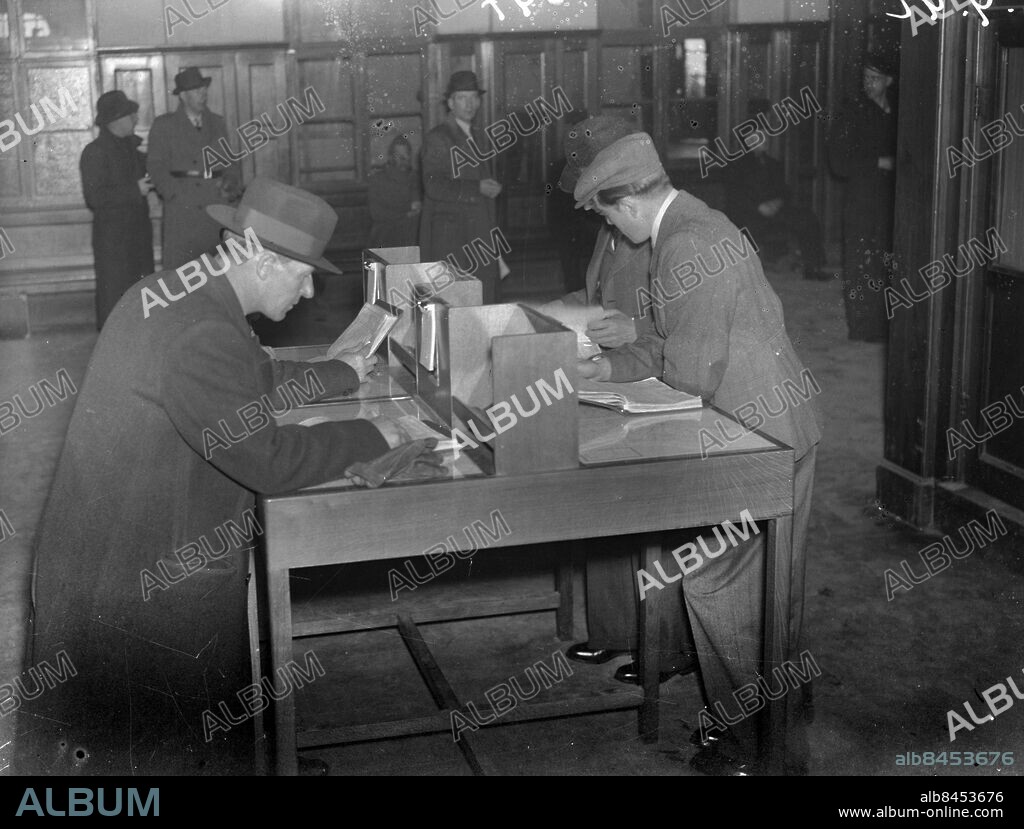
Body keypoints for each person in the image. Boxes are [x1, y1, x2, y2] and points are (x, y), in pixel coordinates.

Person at [14, 177, 418, 776]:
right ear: (256, 255)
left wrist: (340, 374)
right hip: (141, 592)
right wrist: (377, 434)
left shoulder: (183, 294)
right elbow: (269, 459)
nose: (309, 292)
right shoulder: (202, 330)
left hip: (117, 560)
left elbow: (244, 385)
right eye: (303, 272)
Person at [574, 133, 821, 775]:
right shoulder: (695, 223)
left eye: (605, 215)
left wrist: (630, 397)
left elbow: (689, 373)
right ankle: (781, 720)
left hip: (751, 437)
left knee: (719, 584)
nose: (610, 229)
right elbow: (671, 339)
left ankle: (747, 749)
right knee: (773, 587)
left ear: (625, 202)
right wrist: (610, 366)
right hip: (776, 422)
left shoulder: (685, 243)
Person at [544, 116, 698, 684]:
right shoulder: (613, 225)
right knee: (602, 505)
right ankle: (615, 632)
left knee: (651, 518)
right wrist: (550, 313)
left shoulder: (665, 233)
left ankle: (666, 647)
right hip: (611, 377)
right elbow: (594, 296)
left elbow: (672, 326)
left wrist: (621, 339)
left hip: (649, 380)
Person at [827, 54, 898, 342]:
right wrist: (878, 163)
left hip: (891, 200)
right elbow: (838, 162)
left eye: (875, 78)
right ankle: (862, 328)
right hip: (861, 201)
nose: (868, 84)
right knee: (859, 264)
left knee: (888, 263)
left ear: (889, 81)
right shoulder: (852, 112)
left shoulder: (899, 113)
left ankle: (886, 326)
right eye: (865, 77)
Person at [420, 71, 506, 303]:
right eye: (462, 98)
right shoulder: (439, 137)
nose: (470, 104)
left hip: (478, 234)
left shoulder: (475, 135)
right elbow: (433, 185)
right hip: (454, 240)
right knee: (459, 305)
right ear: (450, 103)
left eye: (474, 97)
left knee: (479, 302)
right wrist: (476, 188)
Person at [147, 66, 242, 271]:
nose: (203, 94)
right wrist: (174, 194)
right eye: (196, 90)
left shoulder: (217, 123)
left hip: (215, 208)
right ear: (182, 95)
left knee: (218, 274)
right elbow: (156, 166)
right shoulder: (164, 125)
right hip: (183, 212)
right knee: (183, 276)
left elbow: (230, 162)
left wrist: (231, 183)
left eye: (204, 89)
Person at [79, 90, 154, 329]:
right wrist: (134, 190)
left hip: (138, 237)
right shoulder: (94, 152)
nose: (135, 119)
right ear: (115, 120)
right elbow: (95, 197)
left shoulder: (132, 149)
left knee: (142, 296)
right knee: (113, 297)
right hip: (112, 241)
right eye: (130, 115)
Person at [726, 121, 826, 282]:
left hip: (776, 211)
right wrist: (759, 207)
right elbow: (735, 197)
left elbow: (785, 191)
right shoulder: (736, 166)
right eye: (760, 138)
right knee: (746, 227)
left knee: (807, 217)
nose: (766, 141)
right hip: (750, 214)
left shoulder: (774, 164)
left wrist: (777, 202)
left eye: (765, 137)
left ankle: (812, 267)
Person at [367, 135, 422, 248]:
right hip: (385, 239)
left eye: (406, 154)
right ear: (390, 157)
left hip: (411, 240)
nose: (403, 158)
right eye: (399, 155)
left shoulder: (417, 179)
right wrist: (406, 215)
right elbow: (376, 213)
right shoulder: (378, 180)